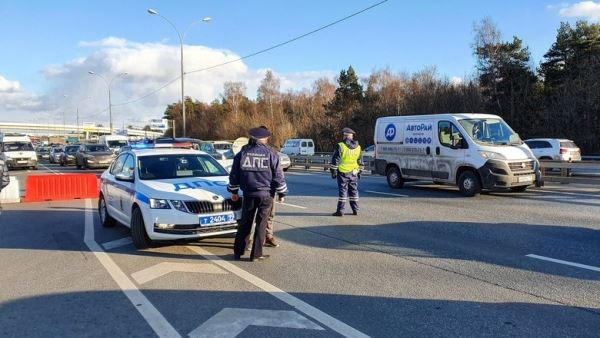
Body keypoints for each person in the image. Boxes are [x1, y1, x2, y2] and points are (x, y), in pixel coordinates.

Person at [229, 127, 287, 261]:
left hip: (249, 193)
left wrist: (233, 191)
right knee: (261, 224)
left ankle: (238, 252)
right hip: (266, 195)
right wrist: (282, 193)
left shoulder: (243, 152)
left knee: (245, 223)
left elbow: (234, 174)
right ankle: (256, 254)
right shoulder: (271, 153)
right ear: (265, 138)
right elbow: (278, 175)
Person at [245, 126, 280, 249]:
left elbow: (277, 172)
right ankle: (249, 241)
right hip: (256, 189)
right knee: (253, 218)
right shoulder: (247, 150)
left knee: (270, 215)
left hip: (269, 190)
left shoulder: (271, 151)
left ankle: (268, 236)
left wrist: (280, 190)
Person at [330, 127, 363, 217]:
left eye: (343, 135)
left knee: (343, 192)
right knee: (354, 191)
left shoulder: (341, 145)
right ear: (351, 137)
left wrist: (333, 171)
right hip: (354, 172)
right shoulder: (358, 147)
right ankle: (355, 210)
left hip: (343, 173)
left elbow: (335, 160)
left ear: (345, 136)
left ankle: (340, 211)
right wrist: (360, 171)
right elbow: (360, 161)